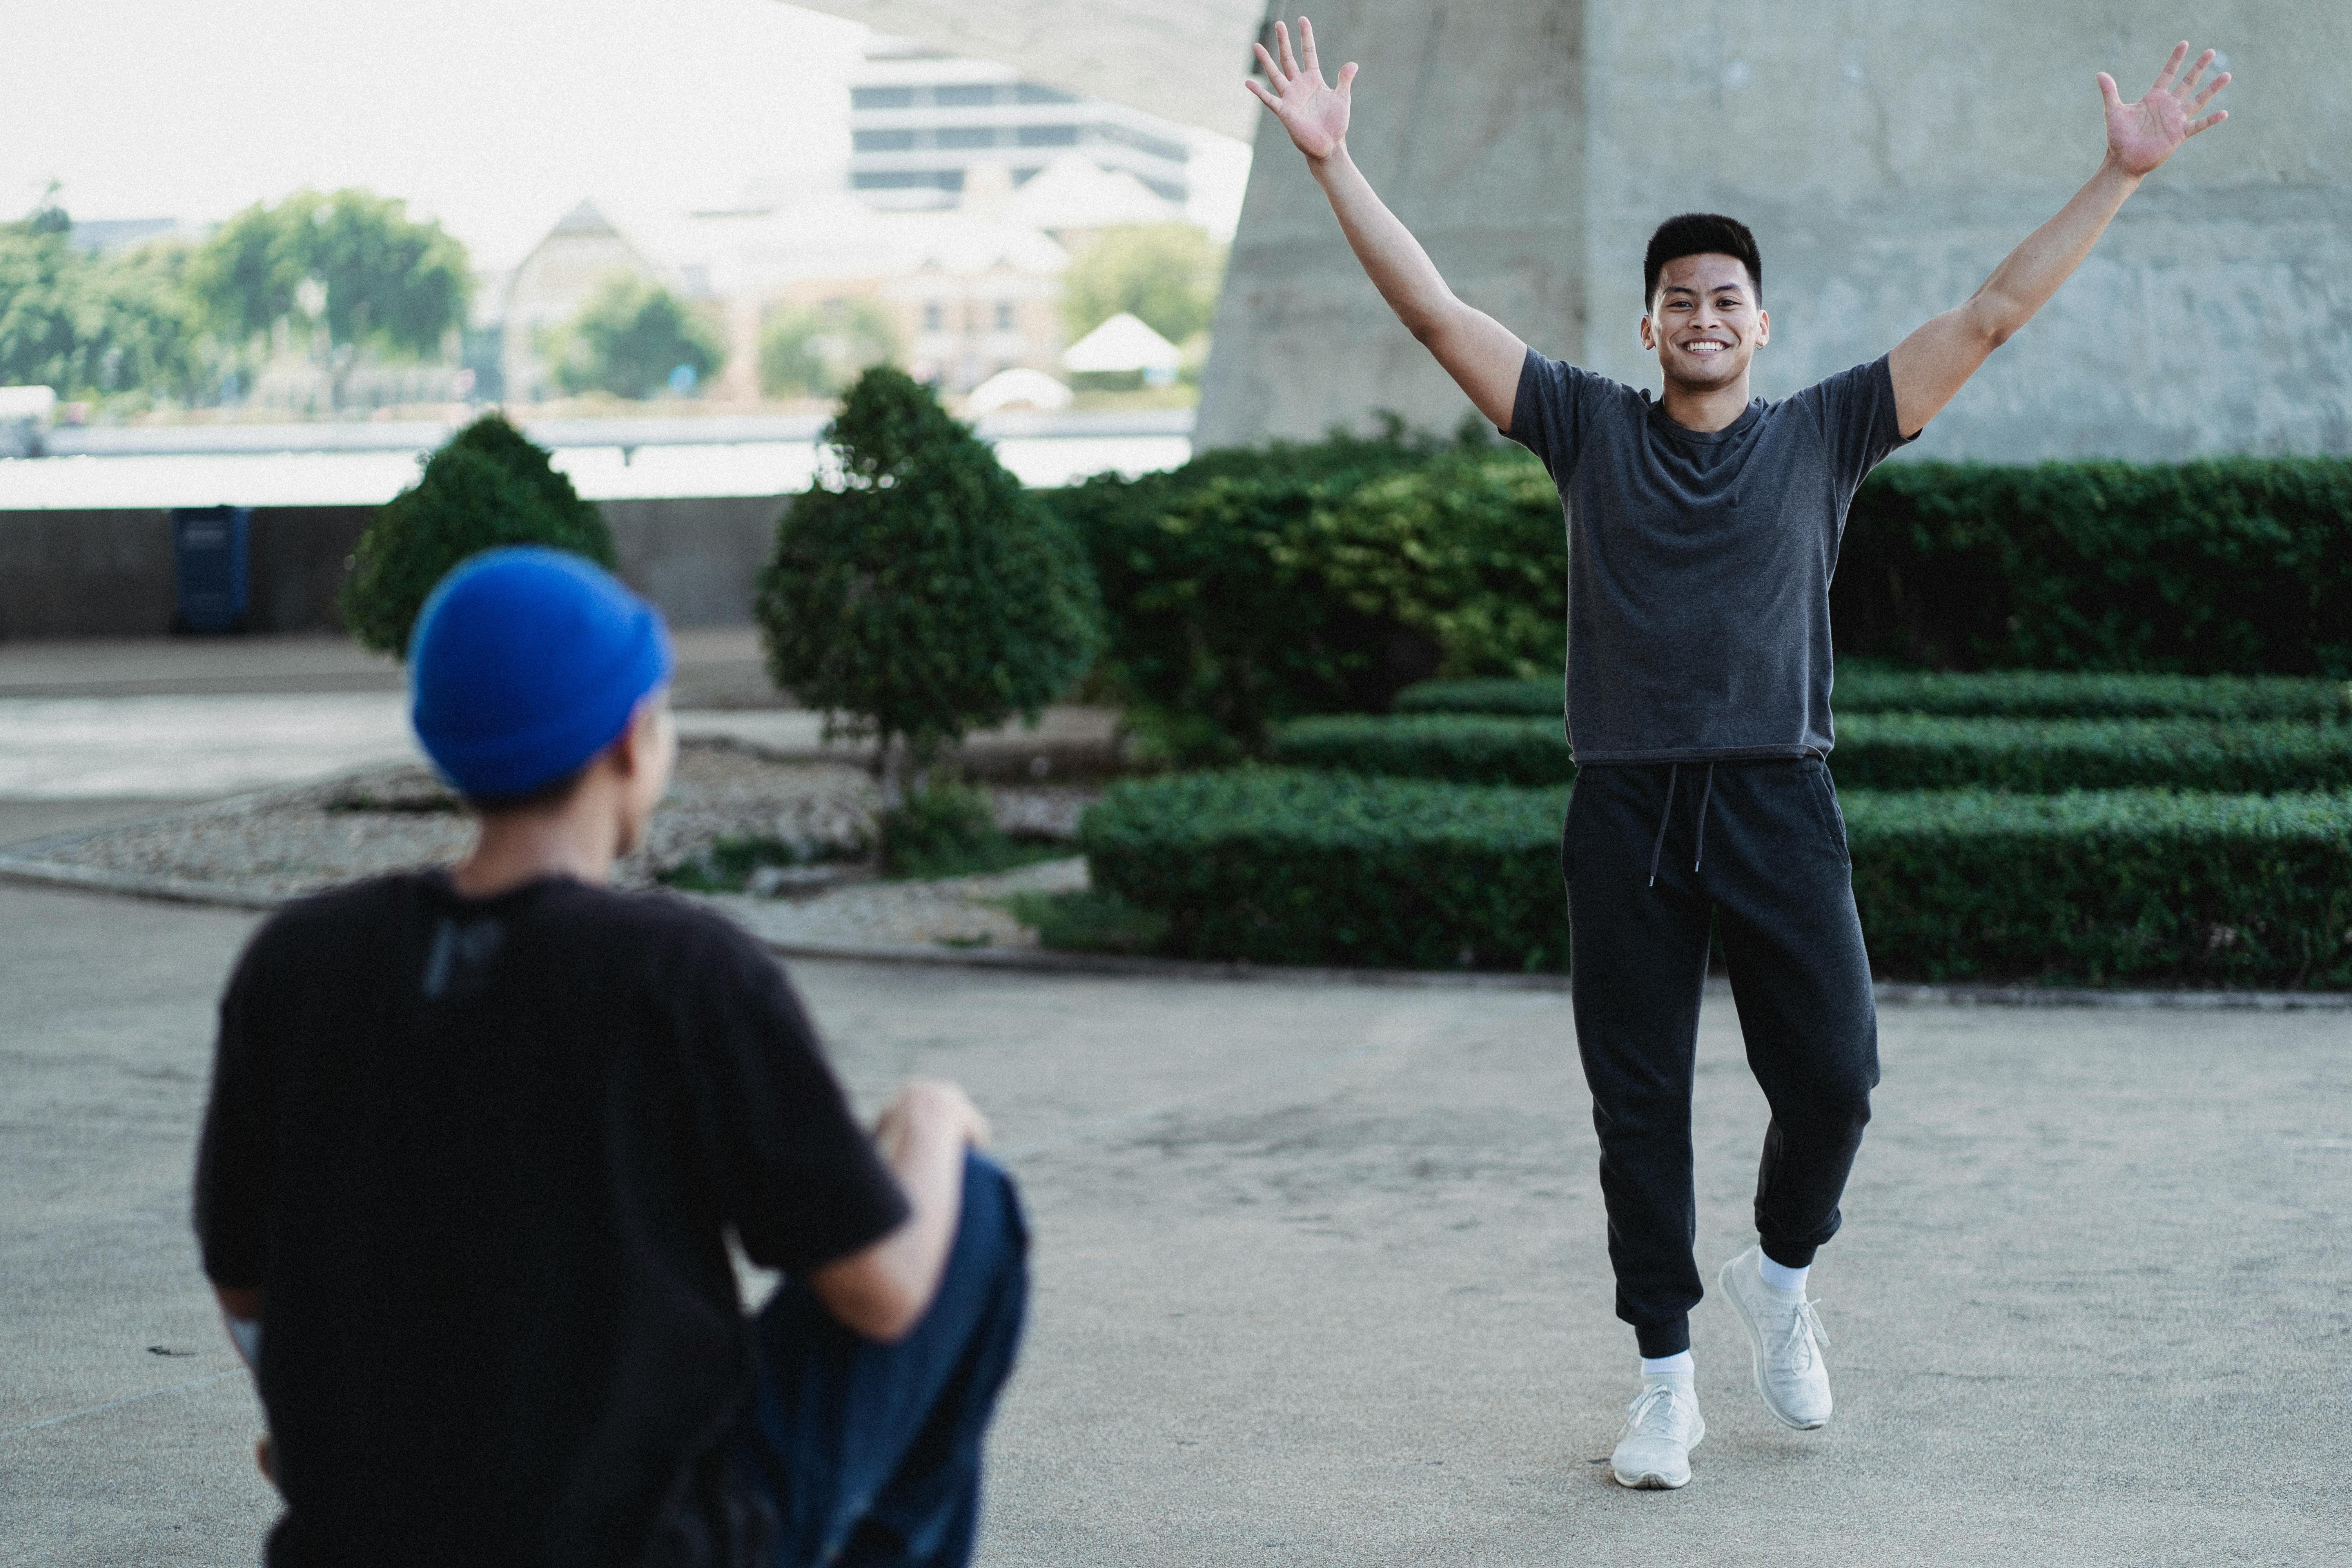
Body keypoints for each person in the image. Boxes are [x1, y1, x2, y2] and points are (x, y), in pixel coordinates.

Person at [1246, 16, 2229, 1490]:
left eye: (1727, 299)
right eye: (1677, 300)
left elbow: (1991, 313)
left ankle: (1783, 1278)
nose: (1702, 315)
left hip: (1779, 796)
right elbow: (1438, 315)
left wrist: (2120, 174)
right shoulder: (1583, 426)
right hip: (1627, 809)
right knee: (1637, 1108)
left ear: (1761, 323)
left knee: (1834, 1078)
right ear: (1648, 325)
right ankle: (1663, 1384)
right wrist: (1334, 163)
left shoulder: (1827, 432)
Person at [192, 546, 1028, 1566]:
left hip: (362, 1539)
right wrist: (932, 1120)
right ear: (634, 743)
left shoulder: (301, 961)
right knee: (974, 1211)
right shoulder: (678, 971)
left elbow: (245, 1287)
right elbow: (884, 1292)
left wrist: (337, 1443)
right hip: (650, 1547)